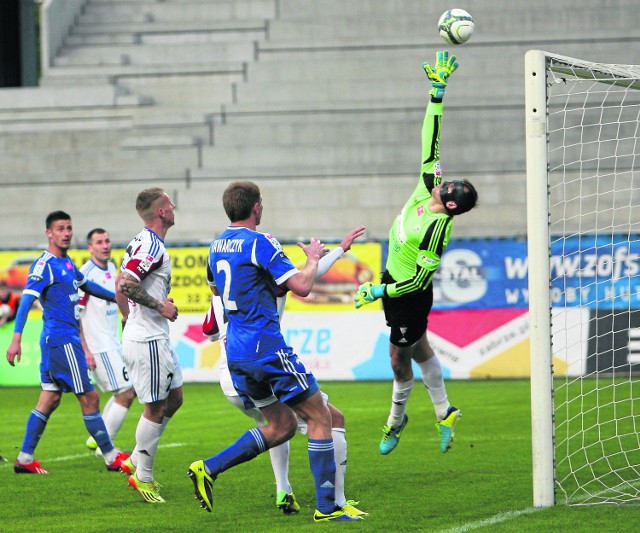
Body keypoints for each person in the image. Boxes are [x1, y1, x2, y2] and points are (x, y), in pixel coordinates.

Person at [187, 181, 362, 522]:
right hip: (266, 347)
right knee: (321, 416)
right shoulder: (261, 241)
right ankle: (328, 507)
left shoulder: (215, 247)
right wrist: (312, 258)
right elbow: (303, 287)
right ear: (256, 207)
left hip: (236, 353)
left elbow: (218, 288)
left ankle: (208, 468)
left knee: (281, 426)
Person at [354, 51, 478, 456]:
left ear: (453, 205)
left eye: (451, 188)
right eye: (450, 182)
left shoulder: (438, 229)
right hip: (394, 285)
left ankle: (395, 421)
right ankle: (444, 410)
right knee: (421, 349)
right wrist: (437, 93)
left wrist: (378, 292)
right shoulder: (428, 187)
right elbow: (431, 138)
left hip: (406, 294)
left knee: (397, 359)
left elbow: (421, 280)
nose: (446, 183)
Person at [5, 210, 130, 474]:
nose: (66, 233)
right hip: (63, 341)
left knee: (49, 399)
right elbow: (27, 299)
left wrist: (119, 297)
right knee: (90, 397)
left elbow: (88, 287)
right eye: (60, 229)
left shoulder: (68, 263)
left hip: (56, 341)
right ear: (49, 233)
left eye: (69, 228)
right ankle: (110, 456)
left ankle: (25, 459)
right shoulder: (45, 265)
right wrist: (15, 339)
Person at [116, 187, 182, 504]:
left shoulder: (140, 242)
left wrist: (130, 318)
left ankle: (134, 459)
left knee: (175, 398)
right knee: (155, 407)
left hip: (151, 335)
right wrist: (159, 308)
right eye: (169, 202)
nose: (174, 207)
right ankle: (143, 477)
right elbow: (126, 284)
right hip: (148, 339)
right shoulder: (152, 246)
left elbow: (122, 282)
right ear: (160, 211)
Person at [79, 228, 136, 456]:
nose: (105, 245)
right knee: (126, 393)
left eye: (107, 241)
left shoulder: (113, 268)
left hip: (113, 343)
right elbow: (76, 314)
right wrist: (85, 351)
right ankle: (106, 448)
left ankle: (99, 438)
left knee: (124, 392)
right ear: (89, 248)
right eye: (99, 242)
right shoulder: (85, 274)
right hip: (98, 347)